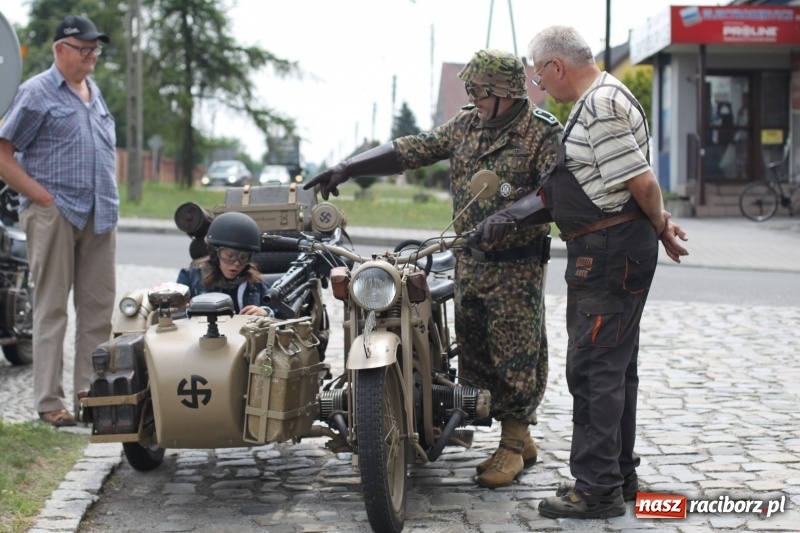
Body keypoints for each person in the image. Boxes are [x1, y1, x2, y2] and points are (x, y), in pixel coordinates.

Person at [304, 49, 563, 488]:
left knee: (516, 354)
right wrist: (349, 168)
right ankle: (516, 437)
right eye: (471, 91)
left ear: (504, 92)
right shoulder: (466, 124)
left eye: (479, 92)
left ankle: (515, 443)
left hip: (515, 268)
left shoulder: (540, 133)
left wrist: (511, 216)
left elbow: (554, 192)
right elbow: (411, 150)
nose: (473, 99)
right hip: (469, 261)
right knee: (477, 352)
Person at [481, 25, 687, 518]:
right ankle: (618, 473)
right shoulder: (607, 98)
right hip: (615, 246)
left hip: (609, 250)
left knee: (594, 370)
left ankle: (596, 490)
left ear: (557, 66)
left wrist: (660, 225)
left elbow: (641, 179)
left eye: (537, 73)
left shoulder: (598, 106)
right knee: (616, 368)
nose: (538, 84)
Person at [0, 15, 116, 427]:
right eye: (83, 49)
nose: (91, 56)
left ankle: (94, 397)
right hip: (54, 212)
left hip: (100, 214)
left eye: (94, 49)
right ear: (60, 50)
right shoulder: (36, 93)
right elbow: (3, 154)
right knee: (51, 309)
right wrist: (40, 197)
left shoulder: (94, 92)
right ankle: (49, 403)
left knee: (99, 311)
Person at [177, 211, 274, 317]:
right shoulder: (190, 278)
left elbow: (278, 310)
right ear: (215, 253)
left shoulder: (255, 284)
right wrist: (192, 313)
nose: (236, 263)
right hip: (199, 332)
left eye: (243, 257)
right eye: (229, 256)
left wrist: (266, 312)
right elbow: (176, 312)